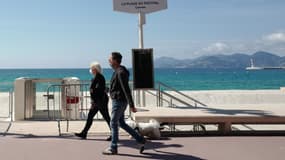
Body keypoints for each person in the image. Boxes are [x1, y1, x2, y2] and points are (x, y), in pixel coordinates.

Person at [102, 52, 146, 155]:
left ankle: (113, 147)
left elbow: (126, 89)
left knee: (113, 123)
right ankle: (140, 139)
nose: (109, 61)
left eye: (110, 59)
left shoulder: (120, 72)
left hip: (119, 102)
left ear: (115, 61)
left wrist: (132, 105)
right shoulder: (118, 71)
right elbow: (118, 87)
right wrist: (108, 90)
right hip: (119, 100)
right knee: (121, 123)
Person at [75, 61, 111, 141]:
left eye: (92, 68)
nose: (91, 70)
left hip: (100, 101)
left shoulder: (99, 77)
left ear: (95, 69)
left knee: (106, 117)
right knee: (92, 116)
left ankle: (114, 134)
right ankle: (84, 133)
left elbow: (100, 89)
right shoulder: (97, 77)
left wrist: (93, 90)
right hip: (98, 101)